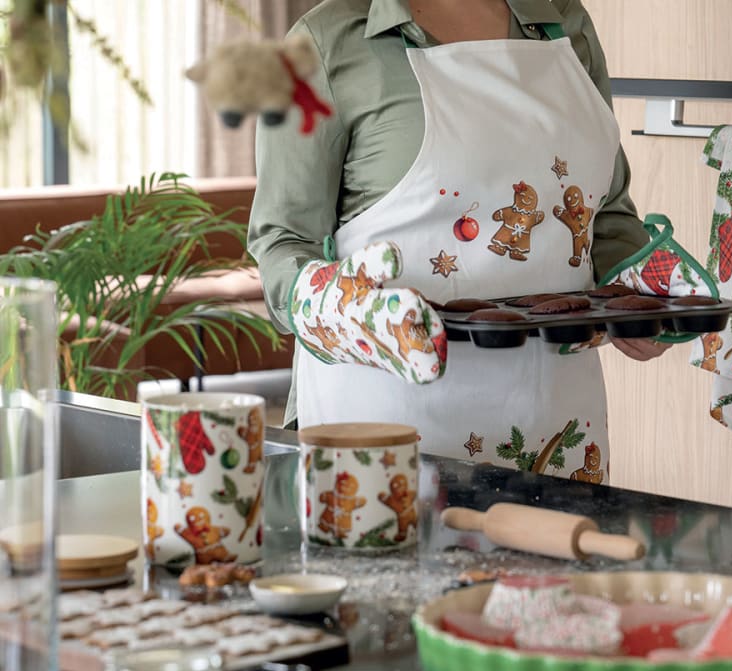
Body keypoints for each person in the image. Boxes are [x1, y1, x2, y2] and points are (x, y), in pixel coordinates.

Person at [249, 0, 703, 482]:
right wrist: (336, 307)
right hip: (387, 433)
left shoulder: (563, 19)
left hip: (559, 426)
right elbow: (283, 240)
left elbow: (605, 214)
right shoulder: (324, 42)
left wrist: (646, 291)